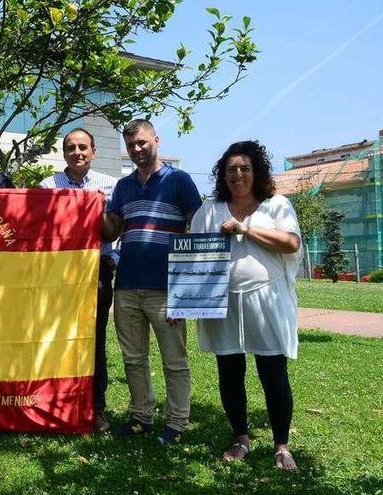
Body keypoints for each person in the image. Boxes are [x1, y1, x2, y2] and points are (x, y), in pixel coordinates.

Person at [190, 140, 302, 471]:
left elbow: (291, 243)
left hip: (266, 298)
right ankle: (240, 438)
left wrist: (245, 229)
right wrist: (182, 302)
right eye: (231, 169)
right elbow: (193, 256)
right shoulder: (210, 209)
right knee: (229, 372)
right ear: (222, 175)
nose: (238, 174)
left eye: (245, 168)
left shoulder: (276, 204)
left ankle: (281, 445)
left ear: (256, 172)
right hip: (221, 302)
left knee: (273, 372)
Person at [103, 118, 202, 446]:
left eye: (142, 142)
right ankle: (141, 418)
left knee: (174, 360)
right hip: (127, 286)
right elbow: (112, 230)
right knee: (133, 358)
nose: (137, 149)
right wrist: (86, 207)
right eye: (131, 145)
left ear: (156, 140)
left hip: (166, 289)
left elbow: (198, 231)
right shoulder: (123, 187)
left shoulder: (180, 181)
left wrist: (185, 293)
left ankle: (176, 423)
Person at [39, 127, 117, 432]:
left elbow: (112, 233)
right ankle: (54, 404)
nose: (77, 152)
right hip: (56, 275)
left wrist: (96, 208)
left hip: (96, 271)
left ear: (93, 151)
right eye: (71, 148)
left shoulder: (111, 186)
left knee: (94, 342)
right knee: (54, 339)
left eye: (83, 147)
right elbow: (36, 229)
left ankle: (96, 408)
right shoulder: (47, 186)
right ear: (63, 153)